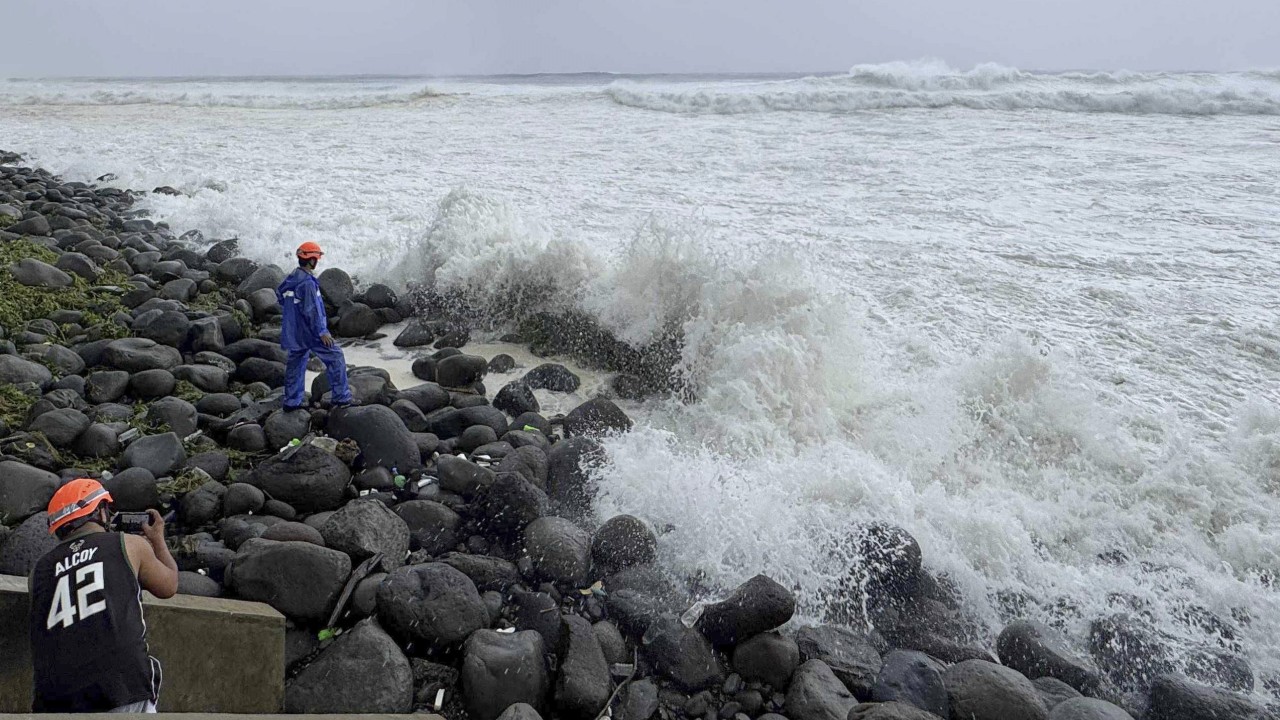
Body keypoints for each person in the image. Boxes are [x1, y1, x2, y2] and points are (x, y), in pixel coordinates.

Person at [28, 479, 179, 713]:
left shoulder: (39, 570)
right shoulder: (129, 544)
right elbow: (169, 586)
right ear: (100, 511)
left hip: (54, 700)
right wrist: (158, 540)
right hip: (122, 687)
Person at [277, 241, 354, 411]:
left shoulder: (292, 277)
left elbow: (280, 294)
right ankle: (341, 397)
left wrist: (292, 314)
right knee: (336, 356)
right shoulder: (308, 283)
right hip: (310, 332)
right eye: (316, 258)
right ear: (312, 260)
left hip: (294, 331)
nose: (317, 261)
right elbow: (312, 311)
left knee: (296, 362)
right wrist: (322, 331)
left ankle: (292, 401)